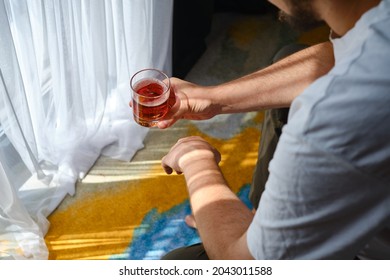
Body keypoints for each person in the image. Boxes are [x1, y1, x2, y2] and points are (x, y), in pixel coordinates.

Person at [155, 0, 390, 259]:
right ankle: (266, 215)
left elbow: (244, 263)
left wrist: (196, 158)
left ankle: (270, 227)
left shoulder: (328, 119)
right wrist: (211, 97)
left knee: (176, 262)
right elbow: (341, 56)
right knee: (290, 56)